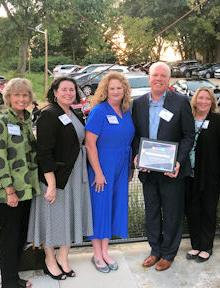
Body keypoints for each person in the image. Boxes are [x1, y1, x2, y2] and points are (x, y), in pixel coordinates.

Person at [27, 77, 93, 280]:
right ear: (54, 92)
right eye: (63, 89)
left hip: (75, 174)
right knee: (52, 219)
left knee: (69, 216)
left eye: (72, 90)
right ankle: (49, 260)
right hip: (56, 178)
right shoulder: (49, 114)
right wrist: (52, 184)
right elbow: (44, 152)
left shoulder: (72, 112)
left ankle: (63, 257)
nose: (68, 93)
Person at [132, 62, 194, 271]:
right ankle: (155, 250)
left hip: (171, 171)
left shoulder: (181, 102)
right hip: (148, 171)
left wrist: (178, 161)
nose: (158, 79)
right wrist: (137, 156)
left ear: (168, 80)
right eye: (154, 75)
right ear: (149, 78)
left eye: (163, 76)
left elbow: (188, 135)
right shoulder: (139, 103)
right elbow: (136, 135)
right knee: (151, 212)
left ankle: (168, 253)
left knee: (172, 212)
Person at [0, 78, 40, 288]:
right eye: (17, 95)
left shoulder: (26, 121)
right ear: (8, 98)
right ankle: (8, 282)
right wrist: (9, 190)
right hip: (8, 192)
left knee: (19, 237)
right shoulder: (2, 122)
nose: (21, 98)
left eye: (25, 95)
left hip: (26, 190)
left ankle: (14, 277)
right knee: (10, 238)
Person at [85, 71, 135, 273]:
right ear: (105, 91)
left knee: (113, 208)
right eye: (112, 88)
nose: (115, 91)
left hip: (121, 167)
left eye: (119, 88)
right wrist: (98, 172)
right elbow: (90, 144)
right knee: (100, 209)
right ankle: (97, 254)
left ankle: (106, 251)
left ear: (125, 91)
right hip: (102, 166)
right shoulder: (98, 111)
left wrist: (129, 167)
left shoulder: (126, 111)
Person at [185, 87, 220, 263]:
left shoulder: (219, 121)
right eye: (200, 98)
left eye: (207, 98)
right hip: (189, 175)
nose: (203, 101)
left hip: (210, 176)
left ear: (212, 102)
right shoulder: (188, 119)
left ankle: (206, 246)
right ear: (195, 100)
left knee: (208, 210)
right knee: (192, 210)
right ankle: (196, 245)